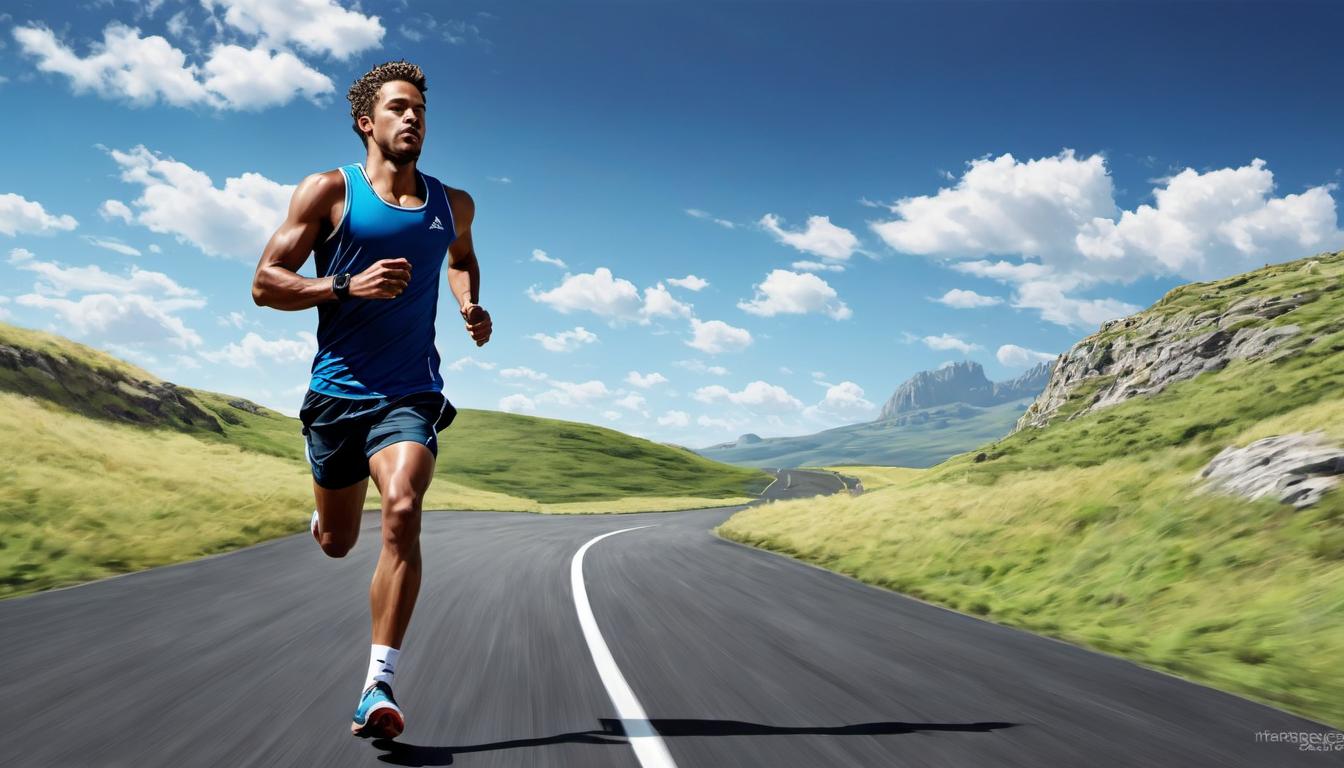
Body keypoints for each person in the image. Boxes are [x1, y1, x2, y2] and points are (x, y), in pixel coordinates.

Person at [250, 60, 491, 739]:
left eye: (419, 109)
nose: (412, 118)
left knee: (404, 508)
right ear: (368, 122)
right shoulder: (330, 192)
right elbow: (266, 283)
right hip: (335, 397)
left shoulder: (454, 204)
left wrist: (469, 305)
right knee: (337, 542)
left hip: (409, 392)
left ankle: (377, 685)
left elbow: (462, 255)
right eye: (397, 108)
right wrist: (344, 287)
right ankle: (323, 522)